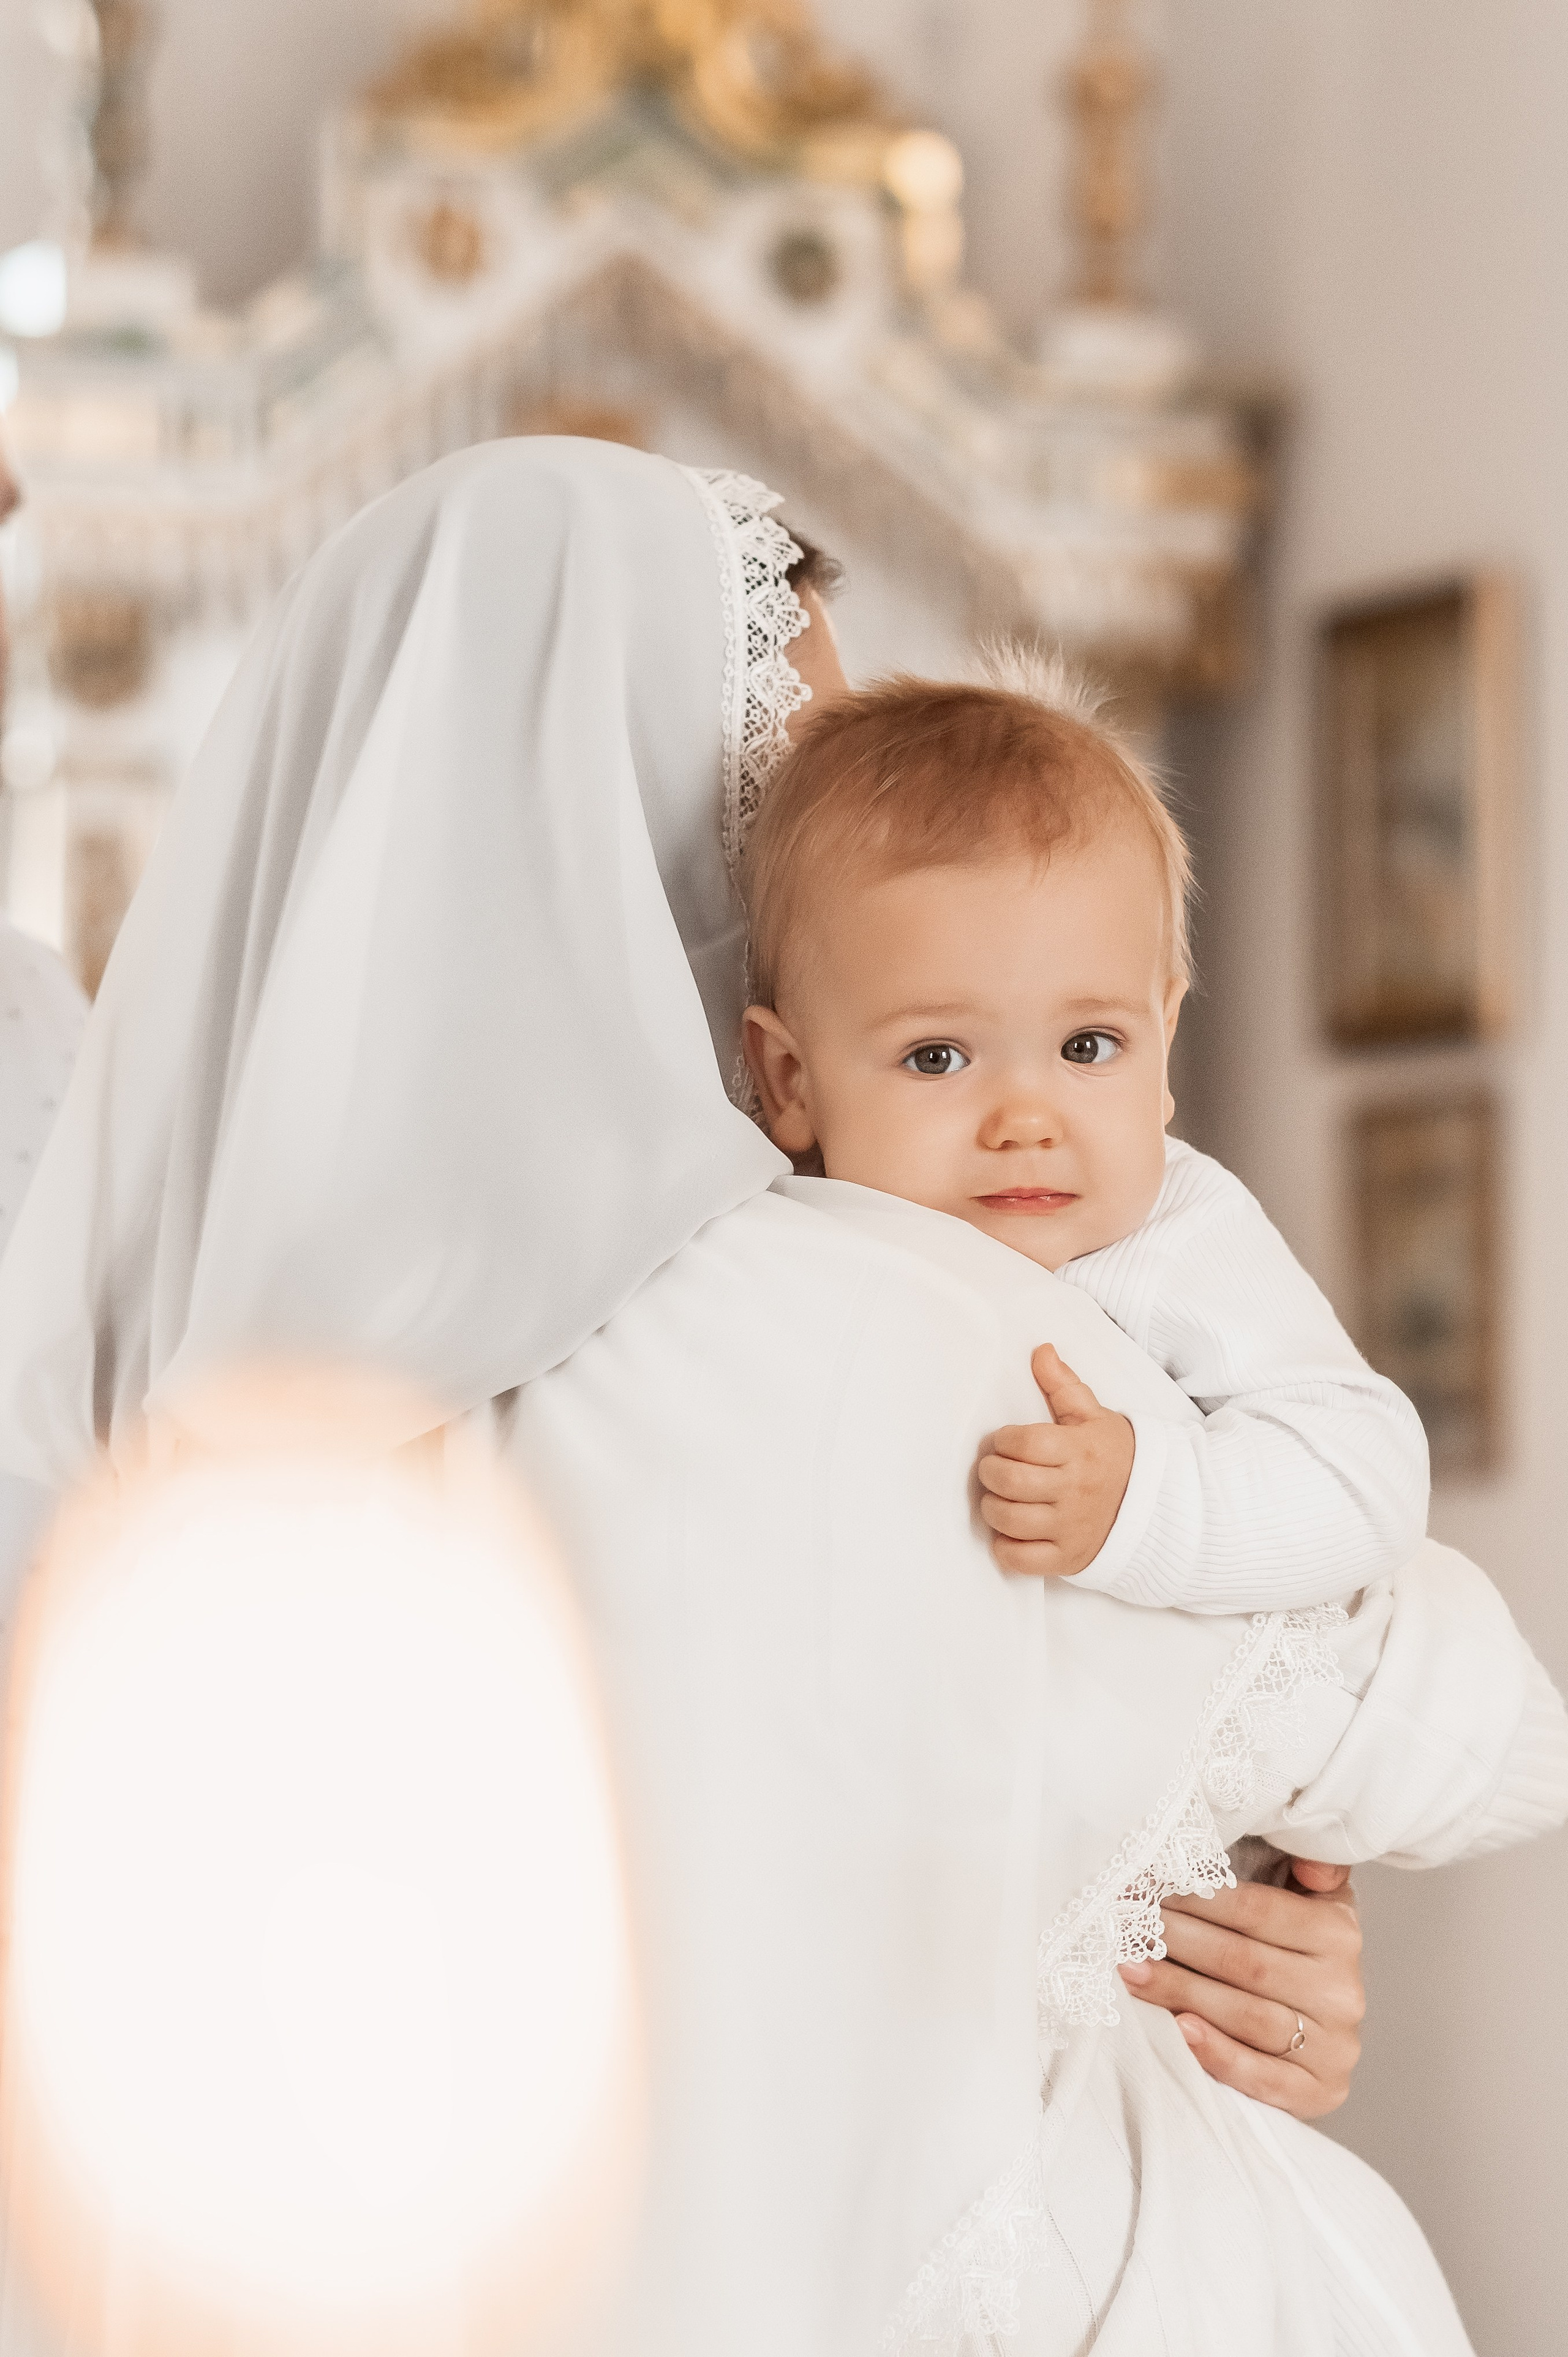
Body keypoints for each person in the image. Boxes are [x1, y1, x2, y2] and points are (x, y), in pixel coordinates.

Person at [0, 439, 1558, 2357]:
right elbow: (1470, 1727)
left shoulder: (186, 1393)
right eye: (777, 798)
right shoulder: (855, 1313)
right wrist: (1226, 1871)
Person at [740, 662, 1427, 1614]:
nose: (1026, 1121)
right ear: (790, 1080)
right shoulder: (778, 1245)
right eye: (938, 1057)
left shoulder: (1171, 1234)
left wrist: (1148, 1513)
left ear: (1165, 1045)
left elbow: (1367, 1470)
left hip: (1429, 1736)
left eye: (1087, 1046)